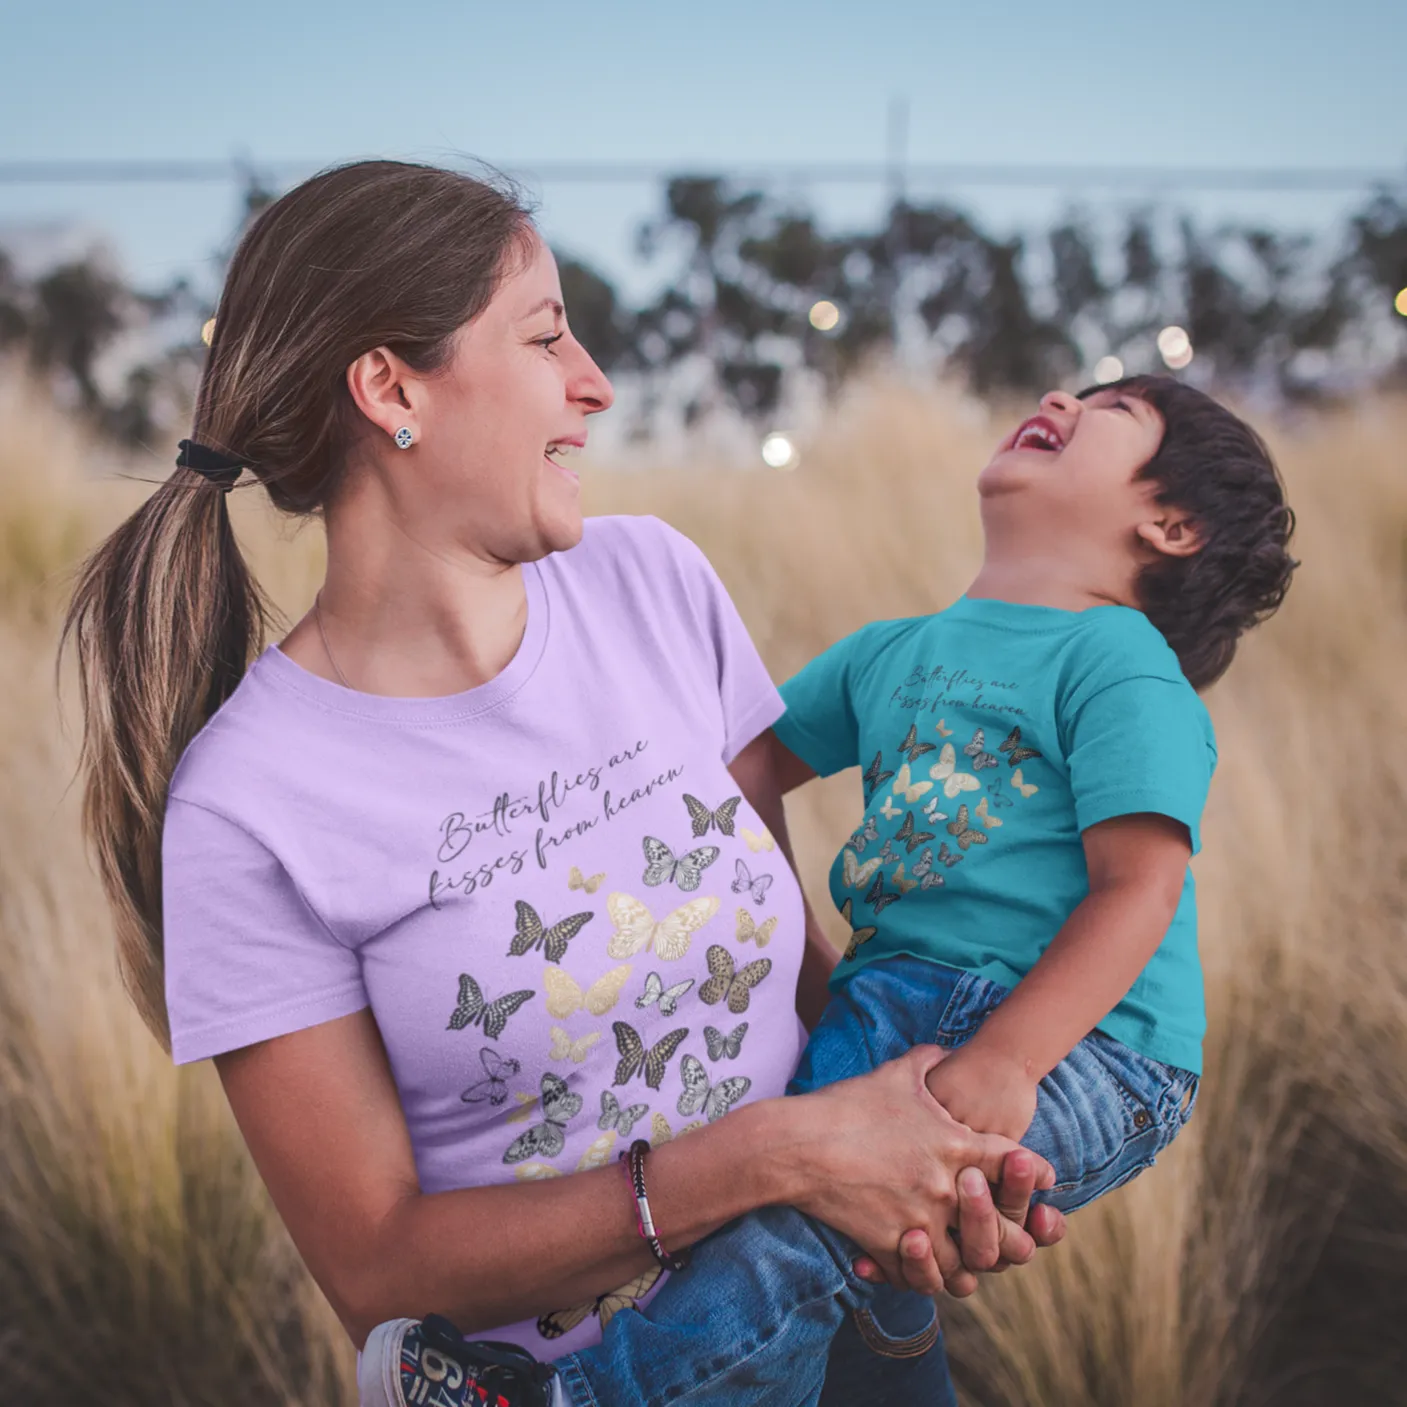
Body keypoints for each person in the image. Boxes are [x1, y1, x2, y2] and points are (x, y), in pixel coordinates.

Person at [61, 159, 1064, 1407]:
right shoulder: (247, 807)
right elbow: (378, 1268)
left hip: (860, 1316)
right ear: (390, 387)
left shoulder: (658, 584)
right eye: (545, 336)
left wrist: (931, 1160)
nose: (595, 381)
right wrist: (775, 1158)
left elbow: (801, 970)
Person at [376, 374, 1296, 1406]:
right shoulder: (895, 651)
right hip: (889, 1004)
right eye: (1071, 391)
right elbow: (745, 776)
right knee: (816, 1226)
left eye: (1110, 412)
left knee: (804, 1222)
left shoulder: (1119, 660)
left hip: (1091, 1047)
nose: (1059, 398)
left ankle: (583, 1399)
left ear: (1169, 524)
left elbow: (1139, 889)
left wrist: (1008, 1059)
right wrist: (798, 952)